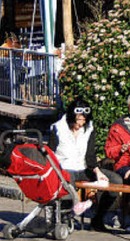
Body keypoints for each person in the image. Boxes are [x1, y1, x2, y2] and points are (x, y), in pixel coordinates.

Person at [49, 99, 123, 232]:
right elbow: (50, 152)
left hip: (83, 168)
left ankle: (98, 218)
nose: (81, 124)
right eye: (79, 120)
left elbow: (90, 155)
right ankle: (64, 218)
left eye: (84, 120)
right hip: (63, 167)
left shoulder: (89, 129)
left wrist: (98, 172)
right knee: (68, 180)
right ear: (72, 117)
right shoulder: (58, 128)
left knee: (115, 181)